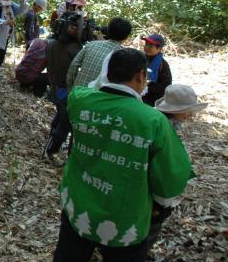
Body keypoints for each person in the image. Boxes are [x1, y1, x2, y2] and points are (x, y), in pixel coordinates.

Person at [52, 48, 194, 262]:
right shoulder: (153, 121)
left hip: (77, 206)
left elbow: (91, 90)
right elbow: (171, 177)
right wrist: (161, 206)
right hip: (125, 218)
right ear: (140, 76)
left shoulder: (79, 100)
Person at [146, 83, 207, 252]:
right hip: (155, 190)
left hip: (152, 186)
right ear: (177, 110)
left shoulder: (163, 121)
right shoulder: (163, 127)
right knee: (151, 226)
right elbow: (165, 166)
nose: (190, 114)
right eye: (188, 109)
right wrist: (163, 201)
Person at [42, 13, 84, 166]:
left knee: (60, 115)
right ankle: (50, 151)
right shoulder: (73, 49)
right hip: (63, 88)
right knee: (64, 121)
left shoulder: (52, 43)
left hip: (55, 85)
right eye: (74, 27)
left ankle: (49, 145)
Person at [66, 17, 132, 89]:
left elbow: (74, 65)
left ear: (109, 30)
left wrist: (72, 88)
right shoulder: (123, 57)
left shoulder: (91, 45)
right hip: (99, 98)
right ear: (126, 37)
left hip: (77, 94)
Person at [141, 34, 172, 106]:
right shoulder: (140, 59)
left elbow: (166, 85)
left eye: (151, 46)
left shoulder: (163, 65)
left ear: (159, 49)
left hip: (154, 100)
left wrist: (147, 89)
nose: (147, 47)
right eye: (146, 44)